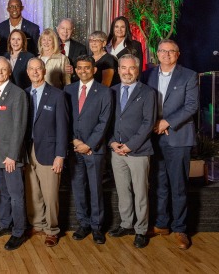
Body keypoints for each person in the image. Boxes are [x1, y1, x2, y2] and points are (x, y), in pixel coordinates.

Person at [142, 39, 198, 250]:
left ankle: (180, 227)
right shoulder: (148, 75)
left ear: (178, 54)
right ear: (157, 53)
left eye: (171, 51)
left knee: (178, 184)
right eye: (163, 51)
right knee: (158, 182)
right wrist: (153, 124)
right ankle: (161, 223)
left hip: (178, 137)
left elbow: (191, 106)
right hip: (154, 137)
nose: (166, 54)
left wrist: (167, 122)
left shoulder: (189, 75)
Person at [108, 54, 156, 249]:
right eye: (123, 68)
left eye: (131, 68)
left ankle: (141, 230)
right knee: (123, 191)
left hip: (138, 151)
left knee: (140, 193)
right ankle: (126, 224)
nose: (127, 72)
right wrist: (112, 143)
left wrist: (130, 145)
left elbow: (148, 123)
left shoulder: (148, 93)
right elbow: (108, 121)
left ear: (137, 70)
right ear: (118, 70)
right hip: (116, 151)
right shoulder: (111, 91)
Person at [64, 55, 112, 245]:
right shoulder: (68, 90)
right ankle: (83, 224)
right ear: (75, 70)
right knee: (78, 188)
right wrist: (75, 142)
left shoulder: (104, 92)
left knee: (95, 188)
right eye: (80, 68)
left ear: (94, 70)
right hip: (74, 149)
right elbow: (65, 119)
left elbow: (104, 122)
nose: (83, 71)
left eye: (87, 68)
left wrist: (89, 144)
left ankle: (97, 227)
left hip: (94, 150)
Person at [0, 56, 29, 251]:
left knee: (16, 195)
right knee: (2, 193)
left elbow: (19, 127)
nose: (0, 73)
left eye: (4, 70)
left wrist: (13, 155)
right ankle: (5, 224)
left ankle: (19, 231)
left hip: (11, 156)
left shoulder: (17, 93)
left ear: (9, 71)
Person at [25, 58, 68, 247]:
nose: (35, 72)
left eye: (38, 69)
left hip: (50, 151)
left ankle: (52, 229)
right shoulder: (24, 94)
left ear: (44, 71)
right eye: (32, 69)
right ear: (27, 72)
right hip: (28, 149)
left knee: (50, 194)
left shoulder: (57, 95)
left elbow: (63, 128)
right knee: (33, 191)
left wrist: (61, 155)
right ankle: (38, 224)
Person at [56, 18, 87, 82]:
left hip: (72, 86)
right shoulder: (50, 45)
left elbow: (85, 70)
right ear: (58, 29)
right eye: (62, 28)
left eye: (68, 29)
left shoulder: (81, 48)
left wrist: (74, 71)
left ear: (72, 31)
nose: (65, 31)